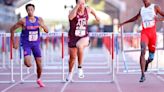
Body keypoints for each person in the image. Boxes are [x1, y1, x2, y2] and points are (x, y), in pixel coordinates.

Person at [119, 0, 164, 82]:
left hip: (152, 34)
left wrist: (159, 19)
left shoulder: (155, 7)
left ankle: (147, 62)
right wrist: (123, 23)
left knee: (151, 58)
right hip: (145, 33)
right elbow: (135, 18)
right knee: (142, 50)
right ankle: (142, 75)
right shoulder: (142, 9)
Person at [10, 3, 48, 87]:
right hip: (27, 44)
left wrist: (43, 26)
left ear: (34, 10)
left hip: (36, 44)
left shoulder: (39, 20)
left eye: (31, 9)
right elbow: (12, 29)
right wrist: (13, 43)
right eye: (28, 10)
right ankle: (27, 59)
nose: (30, 11)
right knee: (28, 64)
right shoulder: (23, 21)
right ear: (26, 11)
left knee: (39, 64)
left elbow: (47, 30)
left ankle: (39, 79)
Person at [66, 0, 100, 81]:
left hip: (84, 36)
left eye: (83, 3)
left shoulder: (87, 9)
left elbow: (91, 10)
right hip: (73, 37)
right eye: (80, 3)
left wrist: (96, 16)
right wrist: (77, 6)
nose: (82, 5)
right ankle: (70, 73)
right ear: (77, 3)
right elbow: (70, 17)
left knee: (80, 45)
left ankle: (80, 67)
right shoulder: (72, 11)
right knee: (72, 58)